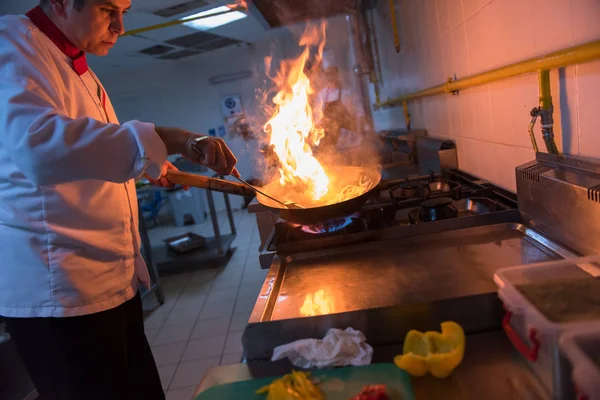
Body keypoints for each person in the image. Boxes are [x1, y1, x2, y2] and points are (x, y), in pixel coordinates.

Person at [0, 1, 239, 399]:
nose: (121, 26)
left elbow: (89, 155)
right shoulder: (12, 42)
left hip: (107, 284)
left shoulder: (78, 68)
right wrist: (160, 142)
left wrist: (166, 152)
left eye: (125, 9)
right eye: (108, 9)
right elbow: (41, 148)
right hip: (61, 294)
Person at [313, 49, 367, 159]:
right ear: (324, 74)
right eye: (327, 73)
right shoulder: (321, 96)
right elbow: (317, 121)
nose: (330, 76)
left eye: (332, 72)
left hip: (349, 143)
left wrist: (360, 137)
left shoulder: (349, 92)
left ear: (337, 72)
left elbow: (360, 114)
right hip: (330, 148)